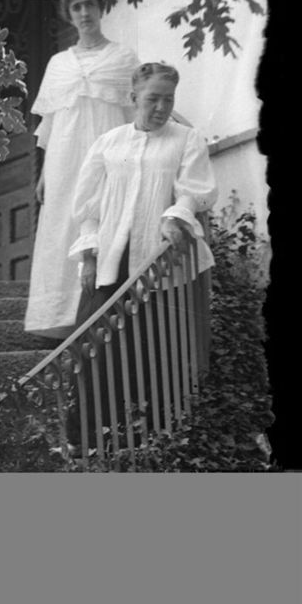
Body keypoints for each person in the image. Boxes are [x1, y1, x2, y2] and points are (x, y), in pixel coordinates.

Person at [67, 62, 217, 435]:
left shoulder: (186, 139)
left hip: (160, 265)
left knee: (154, 350)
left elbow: (193, 191)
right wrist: (88, 256)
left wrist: (175, 215)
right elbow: (89, 206)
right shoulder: (109, 143)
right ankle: (87, 436)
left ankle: (154, 437)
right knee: (94, 346)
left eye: (168, 99)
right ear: (134, 98)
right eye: (153, 99)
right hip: (110, 261)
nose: (162, 107)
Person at [24, 0, 138, 337]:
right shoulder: (58, 63)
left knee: (104, 218)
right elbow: (49, 122)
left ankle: (100, 307)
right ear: (68, 15)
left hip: (107, 154)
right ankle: (58, 316)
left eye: (90, 4)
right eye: (77, 7)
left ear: (100, 8)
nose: (84, 12)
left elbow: (133, 114)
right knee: (64, 222)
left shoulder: (123, 58)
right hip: (64, 158)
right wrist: (43, 174)